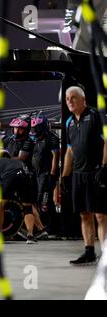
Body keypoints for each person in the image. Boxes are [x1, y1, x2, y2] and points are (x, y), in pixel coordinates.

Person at [62, 86, 107, 265]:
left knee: (101, 215)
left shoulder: (96, 116)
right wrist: (65, 176)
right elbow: (69, 151)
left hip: (96, 172)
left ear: (83, 99)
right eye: (67, 99)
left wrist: (105, 166)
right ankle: (89, 251)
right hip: (78, 175)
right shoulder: (69, 122)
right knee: (84, 214)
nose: (69, 101)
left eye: (73, 98)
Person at [0, 151, 37, 244]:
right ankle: (30, 236)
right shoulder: (16, 161)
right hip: (25, 176)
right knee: (27, 207)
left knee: (0, 205)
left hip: (10, 176)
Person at [30, 111, 60, 235]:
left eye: (36, 127)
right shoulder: (36, 139)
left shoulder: (52, 137)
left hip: (47, 174)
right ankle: (45, 226)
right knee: (39, 200)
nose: (34, 129)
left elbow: (55, 156)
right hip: (38, 173)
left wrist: (52, 175)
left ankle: (52, 227)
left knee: (45, 201)